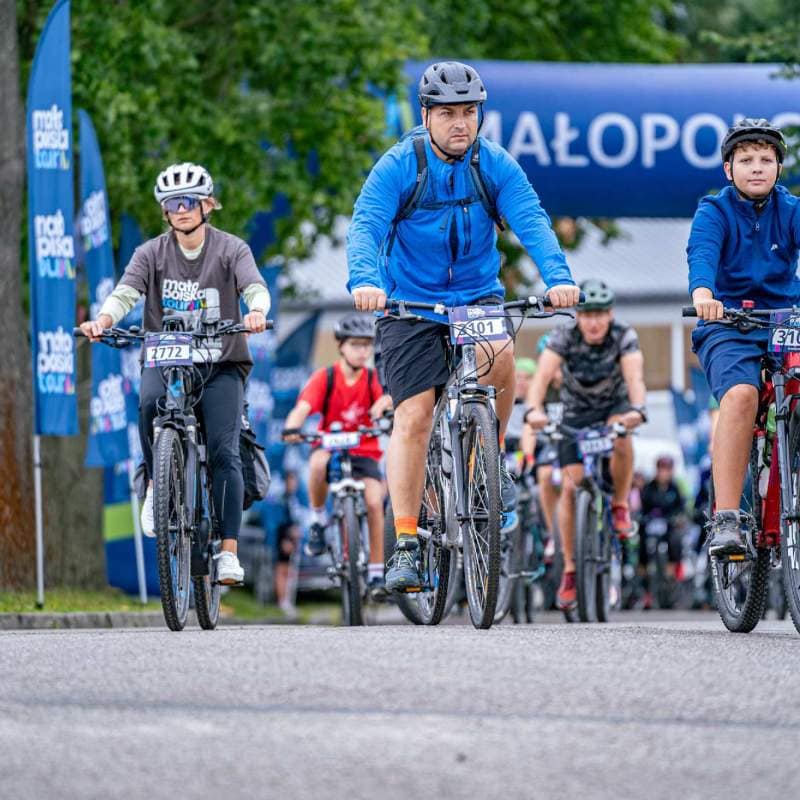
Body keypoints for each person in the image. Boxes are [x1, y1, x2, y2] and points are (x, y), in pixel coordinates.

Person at [346, 60, 579, 592]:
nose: (460, 123)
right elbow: (366, 225)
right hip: (410, 305)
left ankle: (490, 464)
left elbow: (531, 220)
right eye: (448, 113)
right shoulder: (399, 165)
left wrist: (559, 278)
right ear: (425, 115)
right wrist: (365, 279)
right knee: (414, 416)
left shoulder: (493, 164)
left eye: (469, 112)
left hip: (475, 297)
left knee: (498, 352)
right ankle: (406, 541)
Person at [80, 162, 270, 584]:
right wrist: (103, 320)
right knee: (149, 403)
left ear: (207, 205)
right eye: (171, 204)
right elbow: (125, 293)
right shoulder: (150, 253)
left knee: (223, 449)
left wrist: (257, 311)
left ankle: (227, 553)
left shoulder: (230, 248)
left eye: (188, 202)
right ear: (164, 211)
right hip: (166, 359)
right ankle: (154, 485)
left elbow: (253, 285)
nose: (180, 210)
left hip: (221, 363)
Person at [688, 118, 799, 556]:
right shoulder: (713, 211)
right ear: (728, 168)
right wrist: (703, 295)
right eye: (746, 159)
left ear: (778, 167)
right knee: (740, 395)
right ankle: (727, 517)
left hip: (784, 323)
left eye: (766, 160)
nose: (757, 167)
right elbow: (701, 255)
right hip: (727, 323)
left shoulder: (791, 210)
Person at [524, 279, 647, 610]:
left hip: (613, 407)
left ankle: (619, 505)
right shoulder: (563, 336)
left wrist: (637, 409)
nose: (593, 322)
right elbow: (541, 377)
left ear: (610, 315)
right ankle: (570, 571)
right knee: (569, 487)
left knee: (621, 437)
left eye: (600, 314)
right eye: (587, 314)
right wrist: (533, 409)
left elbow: (635, 380)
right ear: (577, 316)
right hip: (575, 413)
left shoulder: (624, 336)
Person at [282, 314, 392, 590]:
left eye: (367, 346)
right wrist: (292, 427)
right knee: (317, 465)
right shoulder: (325, 377)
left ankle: (377, 571)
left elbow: (385, 399)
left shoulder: (372, 378)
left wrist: (383, 408)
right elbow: (303, 407)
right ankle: (318, 521)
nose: (362, 351)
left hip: (364, 451)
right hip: (330, 445)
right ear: (341, 346)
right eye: (355, 345)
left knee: (375, 501)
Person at [639, 455, 688, 602]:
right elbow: (642, 508)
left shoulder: (675, 488)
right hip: (651, 525)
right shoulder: (648, 488)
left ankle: (671, 570)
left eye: (667, 469)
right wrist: (642, 517)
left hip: (668, 526)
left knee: (676, 539)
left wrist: (678, 518)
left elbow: (681, 508)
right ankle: (643, 575)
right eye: (662, 469)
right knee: (642, 542)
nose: (664, 473)